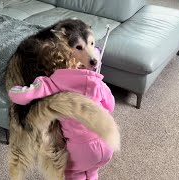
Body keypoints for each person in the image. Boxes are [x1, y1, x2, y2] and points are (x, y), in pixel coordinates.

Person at [8, 47, 116, 180]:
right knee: (92, 169)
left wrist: (13, 89)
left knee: (74, 173)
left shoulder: (54, 82)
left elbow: (22, 95)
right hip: (107, 141)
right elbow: (110, 106)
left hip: (81, 148)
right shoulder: (98, 82)